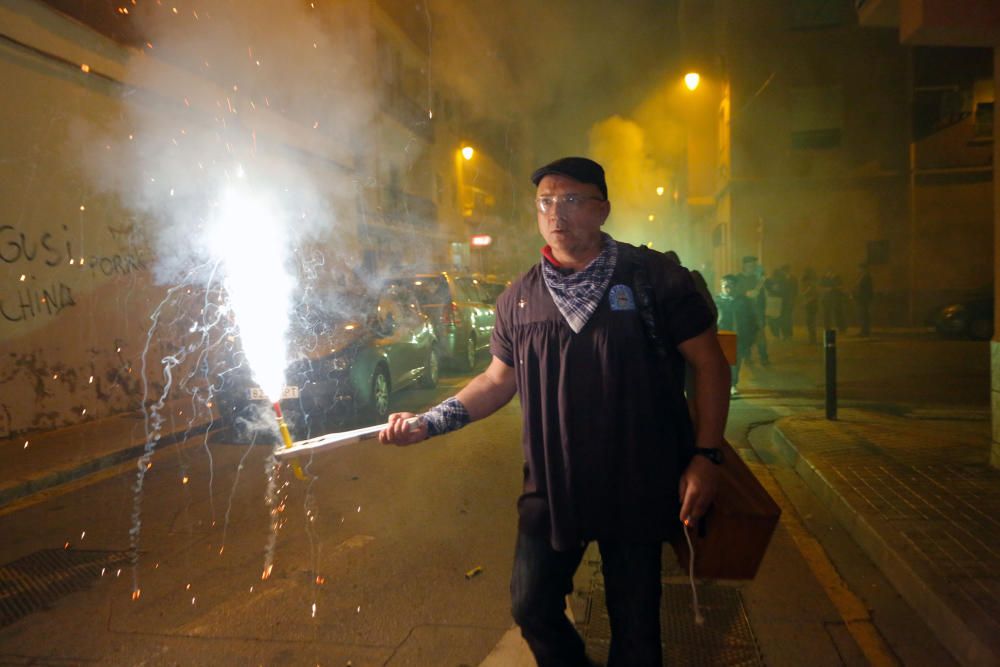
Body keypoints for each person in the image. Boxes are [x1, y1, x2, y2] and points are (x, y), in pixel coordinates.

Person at [380, 157, 731, 667]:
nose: (555, 213)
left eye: (571, 200)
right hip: (551, 484)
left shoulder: (654, 279)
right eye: (545, 202)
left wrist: (706, 456)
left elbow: (710, 364)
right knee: (532, 605)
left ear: (603, 210)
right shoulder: (519, 298)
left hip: (636, 481)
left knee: (635, 630)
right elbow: (496, 381)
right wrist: (428, 423)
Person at [715, 274, 757, 396]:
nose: (728, 289)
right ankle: (722, 384)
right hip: (720, 335)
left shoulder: (744, 301)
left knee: (735, 362)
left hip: (739, 336)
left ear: (736, 287)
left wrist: (752, 336)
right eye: (725, 286)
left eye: (731, 286)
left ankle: (732, 384)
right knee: (720, 362)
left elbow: (752, 320)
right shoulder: (716, 301)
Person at [739, 256, 769, 365]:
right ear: (744, 266)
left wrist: (763, 281)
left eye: (754, 265)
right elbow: (740, 293)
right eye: (750, 265)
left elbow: (763, 296)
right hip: (744, 313)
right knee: (746, 335)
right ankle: (747, 357)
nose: (752, 268)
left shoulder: (757, 278)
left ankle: (764, 357)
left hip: (757, 312)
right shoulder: (739, 279)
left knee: (760, 334)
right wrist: (746, 293)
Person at [853, 262, 874, 337]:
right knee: (862, 315)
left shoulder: (866, 277)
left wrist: (860, 296)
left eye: (859, 268)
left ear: (863, 269)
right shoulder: (862, 276)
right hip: (861, 299)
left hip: (863, 299)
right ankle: (863, 330)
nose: (858, 270)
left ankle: (865, 331)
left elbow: (866, 290)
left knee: (864, 315)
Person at [800, 268, 819, 344]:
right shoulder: (810, 286)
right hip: (810, 306)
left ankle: (813, 340)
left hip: (812, 306)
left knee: (811, 323)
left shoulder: (811, 286)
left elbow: (814, 296)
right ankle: (812, 339)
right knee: (810, 323)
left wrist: (806, 302)